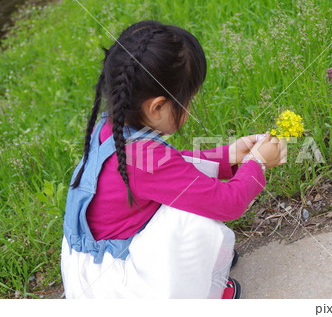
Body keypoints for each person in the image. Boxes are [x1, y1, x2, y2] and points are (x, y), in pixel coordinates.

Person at [61, 20, 287, 299]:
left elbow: (172, 166)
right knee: (193, 219)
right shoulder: (142, 157)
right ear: (157, 107)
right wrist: (257, 163)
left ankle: (199, 273)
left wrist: (229, 155)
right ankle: (205, 293)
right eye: (188, 101)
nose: (189, 109)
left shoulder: (113, 129)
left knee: (186, 196)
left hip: (89, 267)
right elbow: (228, 203)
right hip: (116, 292)